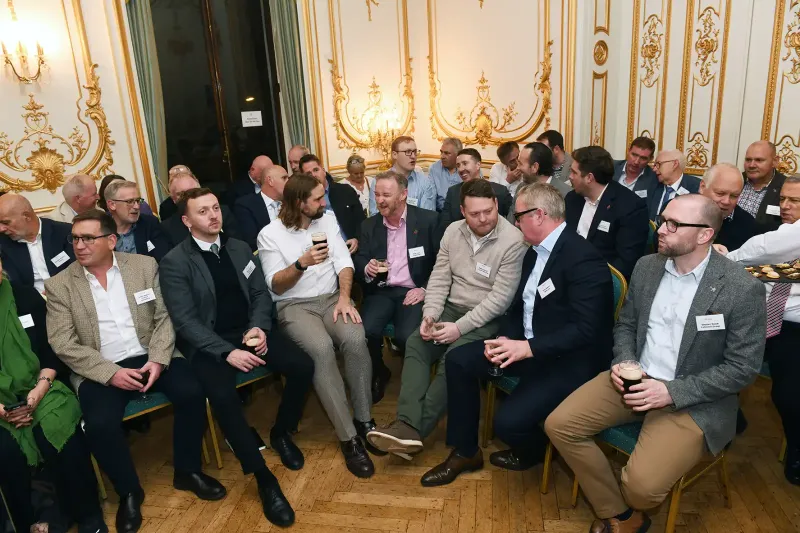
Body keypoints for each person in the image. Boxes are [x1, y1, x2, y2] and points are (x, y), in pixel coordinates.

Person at [544, 194, 766, 533]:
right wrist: (625, 361)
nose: (661, 229)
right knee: (560, 425)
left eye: (673, 225)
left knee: (642, 491)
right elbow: (626, 325)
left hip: (693, 397)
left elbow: (742, 369)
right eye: (663, 220)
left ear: (705, 234)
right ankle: (621, 515)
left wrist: (670, 392)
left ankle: (631, 506)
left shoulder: (741, 288)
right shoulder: (647, 267)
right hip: (634, 378)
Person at [420, 183, 613, 486]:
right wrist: (506, 339)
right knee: (458, 360)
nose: (515, 222)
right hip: (526, 347)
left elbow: (586, 330)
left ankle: (536, 451)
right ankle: (466, 452)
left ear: (539, 215)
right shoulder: (534, 252)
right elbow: (518, 307)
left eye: (519, 216)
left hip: (566, 360)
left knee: (507, 424)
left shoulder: (583, 259)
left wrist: (528, 348)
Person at [45, 210, 226, 533]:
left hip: (151, 354)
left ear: (111, 240)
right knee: (100, 424)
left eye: (88, 238)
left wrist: (157, 359)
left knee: (192, 393)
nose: (79, 245)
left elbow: (165, 317)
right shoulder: (60, 285)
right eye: (75, 239)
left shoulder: (144, 266)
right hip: (100, 367)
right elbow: (63, 343)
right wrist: (110, 373)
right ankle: (129, 491)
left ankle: (187, 471)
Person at [160, 188, 315, 526]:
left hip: (249, 332)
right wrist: (227, 352)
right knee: (222, 397)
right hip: (209, 344)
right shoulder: (174, 262)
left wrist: (258, 326)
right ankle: (263, 478)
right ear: (186, 221)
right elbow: (185, 322)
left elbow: (260, 293)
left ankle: (281, 432)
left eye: (215, 208)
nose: (213, 215)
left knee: (303, 366)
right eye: (203, 211)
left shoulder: (239, 247)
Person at [367, 179, 527, 458]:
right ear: (463, 211)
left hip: (486, 318)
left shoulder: (514, 240)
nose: (483, 219)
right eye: (474, 214)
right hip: (450, 309)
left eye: (488, 211)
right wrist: (430, 314)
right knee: (416, 343)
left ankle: (413, 431)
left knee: (451, 360)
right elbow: (440, 277)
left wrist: (458, 329)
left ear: (496, 205)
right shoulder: (453, 231)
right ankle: (406, 424)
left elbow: (500, 300)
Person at [257, 173, 376, 478]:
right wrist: (302, 263)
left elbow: (344, 263)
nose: (324, 203)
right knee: (321, 349)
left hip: (333, 299)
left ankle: (364, 421)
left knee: (355, 338)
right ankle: (349, 438)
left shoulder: (327, 221)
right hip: (294, 306)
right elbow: (275, 285)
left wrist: (345, 298)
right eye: (318, 199)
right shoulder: (270, 234)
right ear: (300, 203)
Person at [0, 254, 107, 533]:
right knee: (7, 452)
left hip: (43, 386)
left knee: (57, 432)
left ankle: (87, 514)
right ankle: (29, 520)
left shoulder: (25, 297)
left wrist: (37, 391)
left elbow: (52, 351)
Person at [719, 175, 800, 486]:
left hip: (793, 325)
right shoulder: (780, 230)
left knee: (788, 393)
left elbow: (761, 249)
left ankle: (797, 450)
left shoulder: (787, 236)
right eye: (783, 199)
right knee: (717, 359)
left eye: (795, 201)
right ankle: (727, 420)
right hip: (759, 315)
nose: (785, 206)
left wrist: (727, 257)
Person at [354, 170, 439, 404]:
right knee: (365, 332)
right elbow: (360, 258)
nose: (380, 200)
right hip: (381, 290)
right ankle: (379, 372)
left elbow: (442, 262)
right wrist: (366, 267)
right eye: (377, 194)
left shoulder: (428, 221)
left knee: (406, 337)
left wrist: (425, 289)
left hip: (413, 291)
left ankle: (415, 385)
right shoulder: (369, 225)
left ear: (403, 195)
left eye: (386, 195)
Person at [565, 146, 649, 280]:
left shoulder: (631, 207)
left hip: (600, 278)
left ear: (589, 178)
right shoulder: (572, 199)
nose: (570, 176)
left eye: (574, 172)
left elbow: (625, 262)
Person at [0, 193, 74, 295]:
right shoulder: (3, 244)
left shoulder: (65, 232)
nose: (1, 229)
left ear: (26, 216)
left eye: (6, 223)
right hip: (31, 303)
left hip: (70, 296)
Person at [299, 154, 365, 254]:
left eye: (316, 170)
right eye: (308, 174)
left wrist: (356, 239)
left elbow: (362, 222)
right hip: (323, 253)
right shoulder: (303, 201)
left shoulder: (345, 191)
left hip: (352, 250)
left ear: (323, 171)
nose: (314, 175)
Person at [439, 148, 513, 232]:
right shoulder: (452, 192)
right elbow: (445, 224)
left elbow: (512, 220)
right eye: (458, 165)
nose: (461, 169)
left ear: (478, 165)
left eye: (465, 163)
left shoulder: (500, 191)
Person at [161, 173, 240, 246]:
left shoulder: (222, 212)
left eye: (194, 191)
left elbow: (238, 245)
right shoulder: (167, 228)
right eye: (182, 194)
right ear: (173, 199)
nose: (189, 197)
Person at [104, 180, 172, 262]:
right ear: (112, 205)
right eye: (129, 201)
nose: (137, 206)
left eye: (138, 201)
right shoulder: (100, 229)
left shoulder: (150, 224)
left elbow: (163, 259)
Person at [368, 136, 437, 213]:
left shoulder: (424, 182)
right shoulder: (378, 181)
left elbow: (427, 215)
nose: (413, 156)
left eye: (415, 152)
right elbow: (375, 215)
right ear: (394, 155)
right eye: (408, 152)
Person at [699, 163, 758, 251]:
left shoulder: (748, 225)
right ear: (702, 187)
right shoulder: (681, 212)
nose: (726, 201)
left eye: (734, 196)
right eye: (720, 193)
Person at [507, 142, 572, 222]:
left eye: (520, 164)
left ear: (535, 167)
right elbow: (511, 222)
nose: (518, 168)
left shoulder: (565, 194)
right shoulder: (521, 188)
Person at [234, 165, 289, 251]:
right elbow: (251, 241)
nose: (288, 182)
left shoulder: (292, 203)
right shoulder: (246, 205)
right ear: (270, 181)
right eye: (284, 178)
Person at [738, 140, 786, 233]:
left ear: (775, 161)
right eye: (748, 160)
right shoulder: (736, 180)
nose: (751, 165)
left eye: (759, 160)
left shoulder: (786, 187)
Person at [647, 149, 700, 221]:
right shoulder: (652, 184)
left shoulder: (696, 188)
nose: (654, 169)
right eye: (654, 165)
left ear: (675, 164)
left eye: (658, 164)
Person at [428, 138, 463, 211]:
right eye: (441, 152)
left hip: (463, 213)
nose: (442, 156)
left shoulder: (468, 169)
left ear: (458, 155)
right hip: (441, 211)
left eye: (447, 153)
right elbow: (431, 197)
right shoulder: (434, 168)